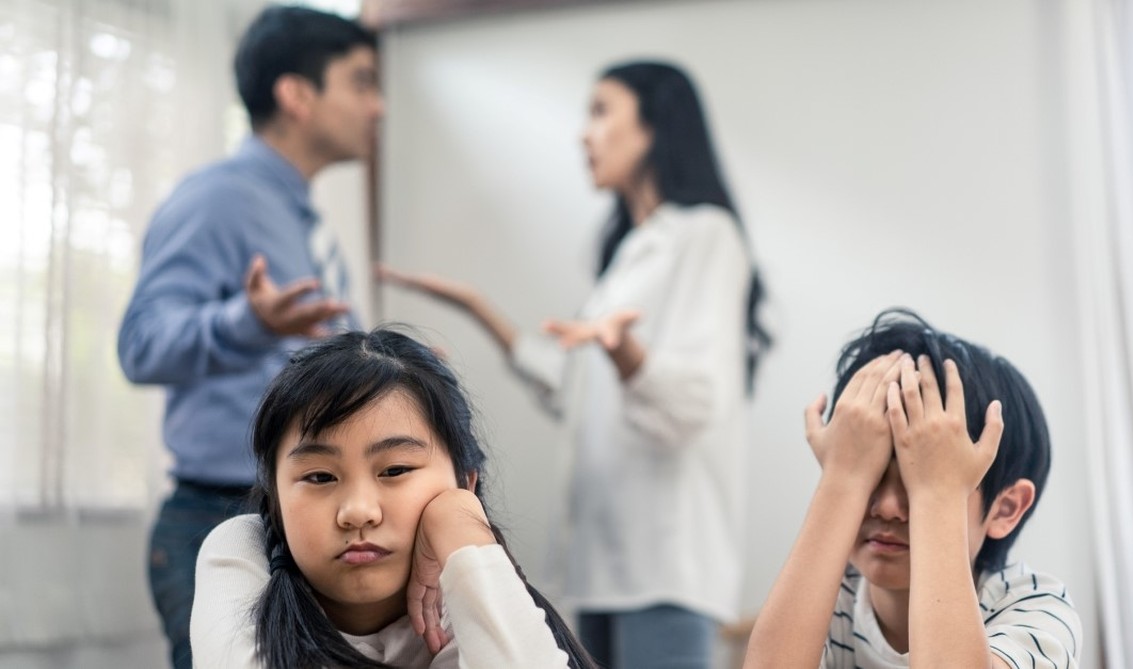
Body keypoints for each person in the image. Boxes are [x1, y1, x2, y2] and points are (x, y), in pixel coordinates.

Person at [378, 61, 770, 668]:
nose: (584, 135)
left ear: (655, 127)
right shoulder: (630, 254)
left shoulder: (705, 236)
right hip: (604, 564)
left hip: (665, 562)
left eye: (601, 112)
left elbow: (694, 403)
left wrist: (624, 351)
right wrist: (478, 308)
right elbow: (577, 390)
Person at [116, 6, 381, 667]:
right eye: (362, 82)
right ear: (297, 94)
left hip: (300, 516)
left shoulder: (299, 216)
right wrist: (248, 321)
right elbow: (141, 342)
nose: (377, 106)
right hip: (221, 515)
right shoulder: (216, 198)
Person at [189, 328, 596, 668]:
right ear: (275, 496)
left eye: (396, 470)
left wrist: (460, 524)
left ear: (465, 483)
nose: (358, 512)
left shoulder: (470, 601)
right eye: (319, 476)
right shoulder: (242, 550)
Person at [743, 308, 1082, 668]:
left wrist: (936, 498)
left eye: (918, 479)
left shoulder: (1035, 609)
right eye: (870, 473)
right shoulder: (833, 597)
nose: (888, 506)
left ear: (1005, 508)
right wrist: (841, 480)